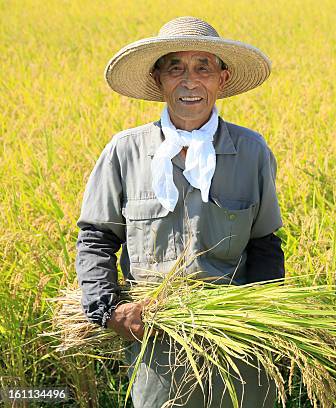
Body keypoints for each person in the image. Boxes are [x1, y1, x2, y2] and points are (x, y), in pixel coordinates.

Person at [76, 16, 283, 407]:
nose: (190, 81)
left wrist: (264, 321)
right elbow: (96, 239)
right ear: (159, 80)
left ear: (222, 78)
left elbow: (264, 244)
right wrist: (109, 310)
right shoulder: (126, 151)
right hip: (156, 344)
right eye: (176, 68)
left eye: (203, 67)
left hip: (238, 344)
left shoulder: (251, 150)